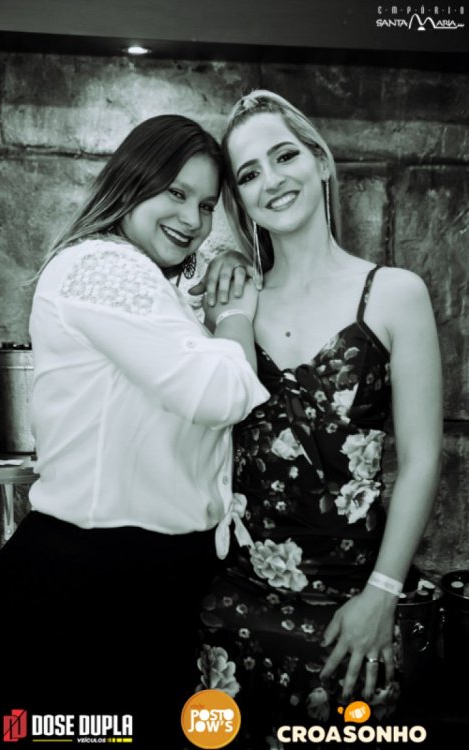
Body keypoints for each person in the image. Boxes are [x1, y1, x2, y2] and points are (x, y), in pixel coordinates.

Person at [0, 114, 269, 750]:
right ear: (132, 182)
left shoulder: (147, 282)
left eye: (207, 205)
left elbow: (191, 306)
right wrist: (237, 317)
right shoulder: (102, 267)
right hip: (85, 592)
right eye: (176, 193)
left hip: (138, 587)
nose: (193, 219)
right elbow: (217, 391)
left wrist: (231, 259)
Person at [194, 90, 443, 748]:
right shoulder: (233, 299)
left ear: (321, 161)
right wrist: (225, 278)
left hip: (355, 612)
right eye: (250, 173)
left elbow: (422, 458)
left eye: (285, 157)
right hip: (233, 610)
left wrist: (383, 594)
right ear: (239, 198)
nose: (272, 180)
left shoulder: (394, 293)